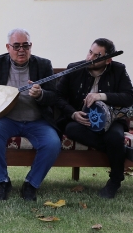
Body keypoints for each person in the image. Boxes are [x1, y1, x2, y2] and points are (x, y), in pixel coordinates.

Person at [0, 28, 61, 202]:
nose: (21, 50)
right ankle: (2, 182)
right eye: (16, 46)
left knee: (52, 143)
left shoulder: (43, 65)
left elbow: (54, 96)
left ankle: (31, 184)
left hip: (36, 120)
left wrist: (41, 95)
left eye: (25, 45)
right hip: (5, 120)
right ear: (8, 47)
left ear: (31, 47)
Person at [56, 38, 133, 198]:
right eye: (90, 52)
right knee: (71, 129)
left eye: (97, 56)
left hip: (111, 120)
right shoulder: (74, 68)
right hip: (82, 120)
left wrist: (101, 96)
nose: (90, 58)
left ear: (108, 60)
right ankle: (123, 152)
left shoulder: (118, 70)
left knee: (115, 136)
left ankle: (115, 180)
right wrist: (73, 113)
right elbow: (58, 97)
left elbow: (129, 97)